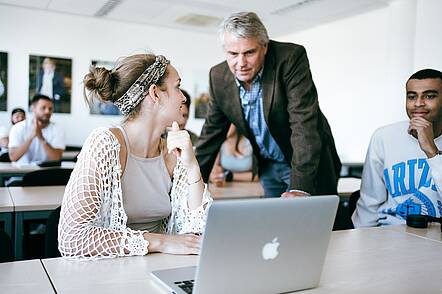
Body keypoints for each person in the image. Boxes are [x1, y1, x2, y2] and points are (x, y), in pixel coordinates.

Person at [58, 54, 213, 259]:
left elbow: (199, 230)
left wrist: (192, 166)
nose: (183, 97)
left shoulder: (173, 152)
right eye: (177, 87)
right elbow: (72, 238)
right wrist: (160, 241)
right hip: (105, 274)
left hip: (157, 269)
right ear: (155, 93)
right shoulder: (104, 144)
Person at [195, 12, 341, 197]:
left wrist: (299, 188)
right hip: (267, 165)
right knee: (273, 223)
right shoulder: (218, 76)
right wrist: (190, 186)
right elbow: (210, 136)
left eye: (249, 52)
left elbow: (303, 124)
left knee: (309, 222)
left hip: (304, 163)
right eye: (233, 54)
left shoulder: (290, 58)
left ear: (264, 46)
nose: (241, 63)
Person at [352, 69, 442, 227]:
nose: (418, 103)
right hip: (391, 234)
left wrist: (431, 150)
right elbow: (369, 203)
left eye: (429, 96)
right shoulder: (383, 137)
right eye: (411, 96)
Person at [9, 94, 65, 165]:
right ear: (33, 109)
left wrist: (41, 137)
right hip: (20, 174)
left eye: (50, 109)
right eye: (43, 108)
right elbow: (13, 157)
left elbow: (56, 158)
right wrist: (32, 136)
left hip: (46, 174)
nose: (47, 111)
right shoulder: (17, 128)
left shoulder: (58, 129)